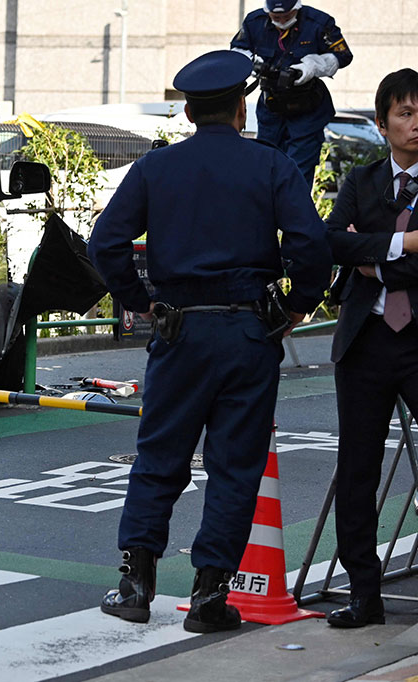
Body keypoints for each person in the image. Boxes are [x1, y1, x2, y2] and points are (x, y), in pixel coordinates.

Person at [87, 50, 331, 633]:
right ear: (241, 107)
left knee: (160, 455)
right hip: (249, 330)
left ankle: (135, 583)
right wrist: (297, 305)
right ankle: (208, 596)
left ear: (191, 111)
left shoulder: (155, 169)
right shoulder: (270, 165)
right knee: (235, 464)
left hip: (179, 331)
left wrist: (136, 299)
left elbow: (105, 243)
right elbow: (311, 245)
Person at [324, 69, 418, 628]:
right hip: (366, 340)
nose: (415, 123)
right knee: (358, 468)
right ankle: (364, 593)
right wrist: (402, 243)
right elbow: (332, 241)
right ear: (381, 123)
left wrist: (373, 256)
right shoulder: (361, 180)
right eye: (405, 113)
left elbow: (356, 247)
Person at [231, 0, 353, 187]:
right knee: (265, 165)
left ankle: (294, 213)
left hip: (307, 109)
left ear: (297, 8)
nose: (281, 21)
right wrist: (253, 63)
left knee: (298, 173)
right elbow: (237, 50)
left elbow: (343, 55)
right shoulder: (254, 22)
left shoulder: (319, 22)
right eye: (275, 17)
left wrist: (312, 66)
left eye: (286, 16)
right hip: (271, 107)